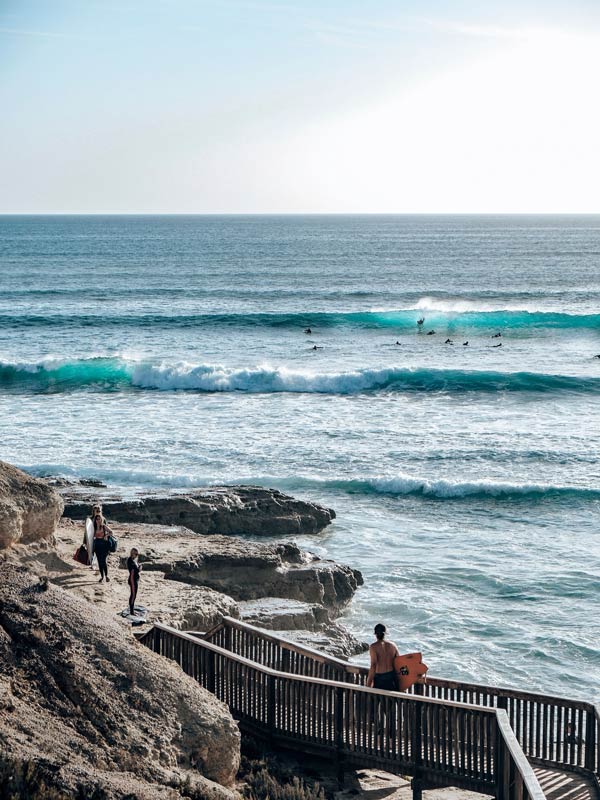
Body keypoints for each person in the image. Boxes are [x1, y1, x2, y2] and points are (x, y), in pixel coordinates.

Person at [367, 623, 401, 691]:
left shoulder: (373, 647)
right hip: (391, 678)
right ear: (385, 634)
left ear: (376, 634)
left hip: (379, 678)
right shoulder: (393, 645)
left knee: (377, 700)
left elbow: (373, 665)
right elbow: (399, 662)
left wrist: (368, 683)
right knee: (391, 701)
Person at [127, 548, 142, 616]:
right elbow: (135, 570)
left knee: (134, 595)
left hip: (135, 579)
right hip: (133, 580)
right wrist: (139, 568)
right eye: (136, 554)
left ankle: (131, 610)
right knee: (133, 595)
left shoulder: (133, 560)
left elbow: (137, 568)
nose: (137, 555)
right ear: (133, 554)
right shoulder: (130, 561)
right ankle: (132, 611)